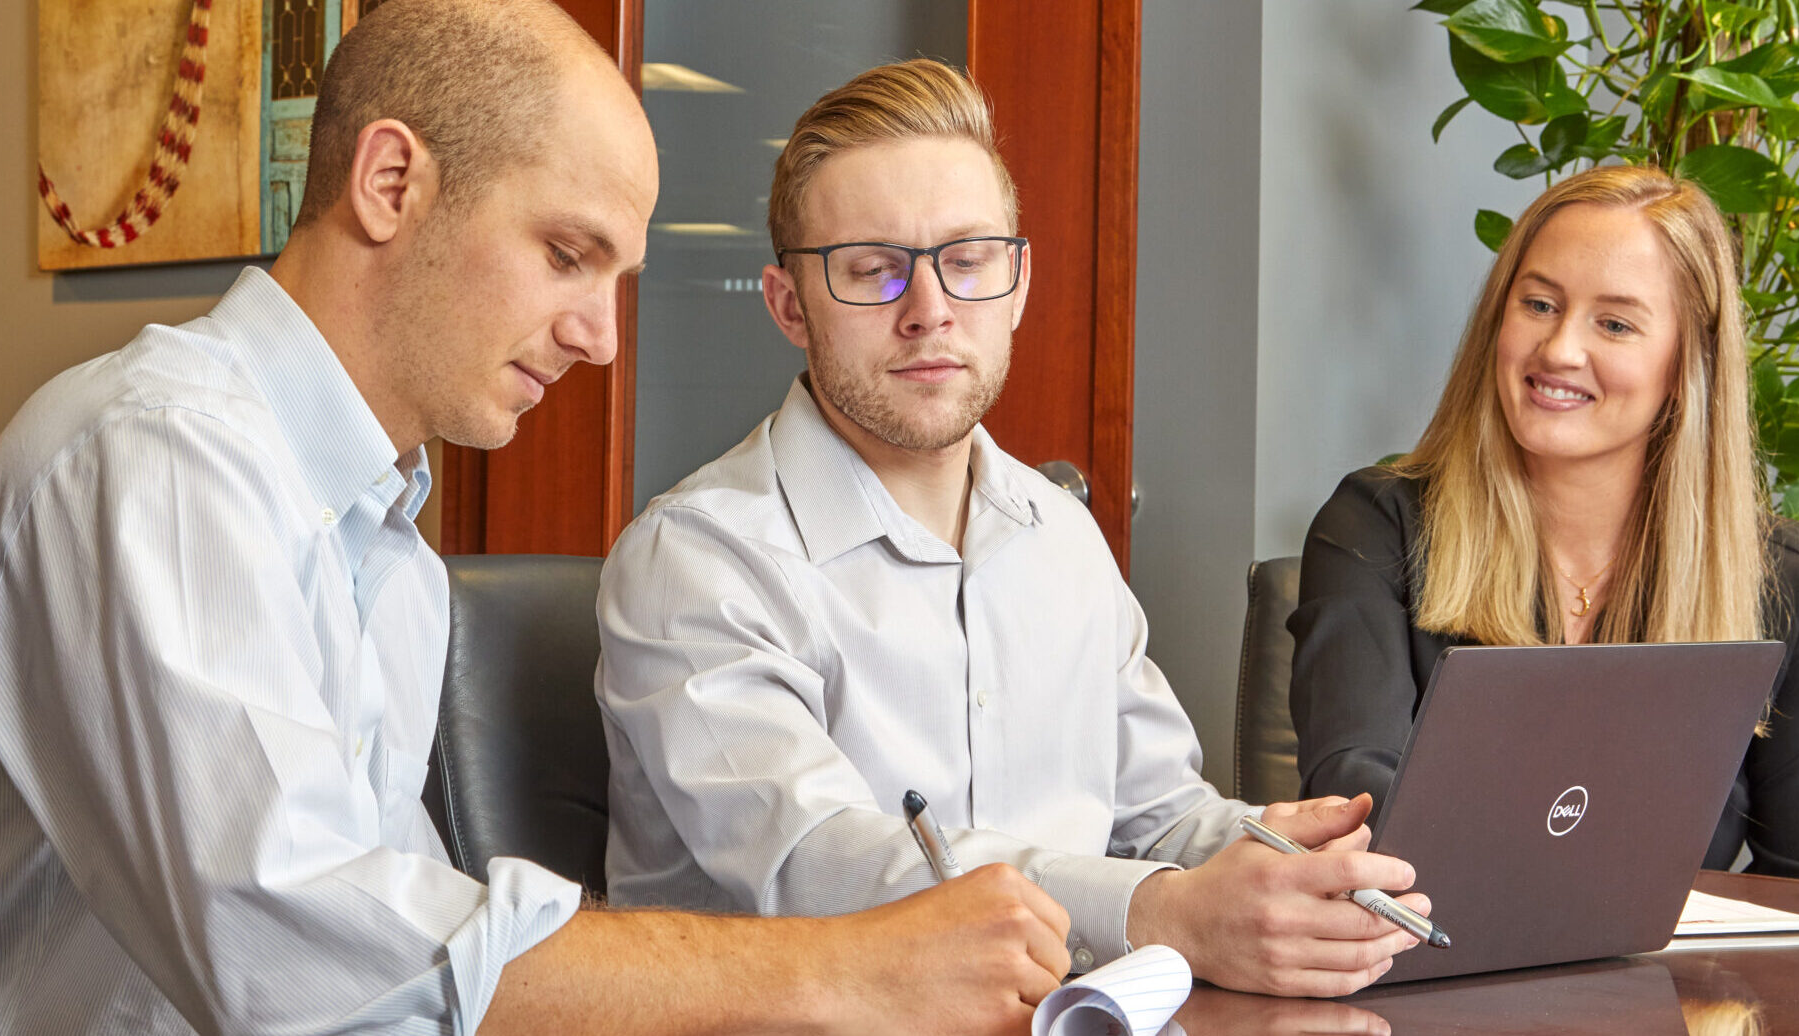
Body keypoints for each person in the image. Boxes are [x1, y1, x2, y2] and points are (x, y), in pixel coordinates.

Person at [0, 5, 1077, 1034]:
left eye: (616, 279)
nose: (598, 337)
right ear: (393, 181)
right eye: (569, 254)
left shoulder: (385, 549)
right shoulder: (155, 454)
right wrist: (840, 974)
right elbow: (293, 954)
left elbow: (399, 982)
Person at [595, 58, 1430, 999]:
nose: (930, 310)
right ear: (790, 305)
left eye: (967, 260)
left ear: (1018, 282)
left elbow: (1158, 816)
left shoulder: (1060, 536)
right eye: (873, 270)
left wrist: (1288, 857)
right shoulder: (698, 560)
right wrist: (1165, 912)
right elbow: (824, 868)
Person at [1288, 164, 1799, 883]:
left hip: (1668, 989)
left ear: (1689, 363)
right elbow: (1365, 828)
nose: (1559, 349)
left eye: (1615, 323)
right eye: (1538, 304)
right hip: (1425, 979)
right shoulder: (1375, 527)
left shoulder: (1788, 579)